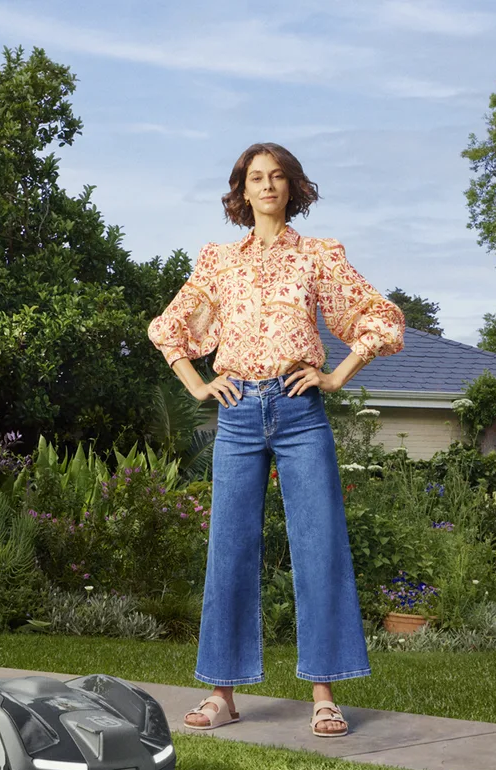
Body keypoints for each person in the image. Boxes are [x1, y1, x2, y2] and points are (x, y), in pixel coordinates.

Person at [147, 142, 405, 738]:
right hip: (237, 413)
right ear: (242, 190)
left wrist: (336, 374)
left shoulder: (317, 257)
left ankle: (324, 694)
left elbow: (378, 317)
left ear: (292, 188)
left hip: (298, 409)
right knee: (229, 549)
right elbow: (170, 327)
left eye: (277, 176)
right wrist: (196, 384)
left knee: (319, 545)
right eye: (256, 178)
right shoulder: (218, 262)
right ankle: (222, 693)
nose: (267, 186)